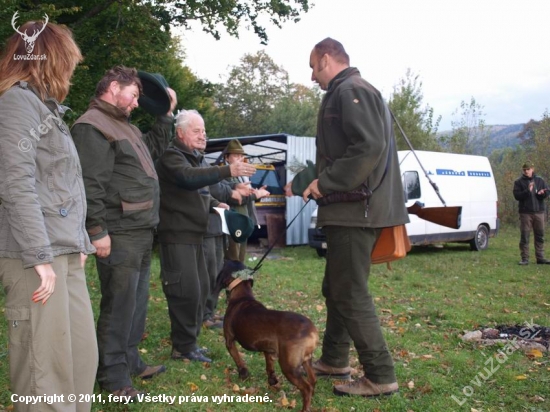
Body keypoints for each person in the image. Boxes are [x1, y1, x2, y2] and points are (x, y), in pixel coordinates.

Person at [291, 38, 409, 398]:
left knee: (350, 292)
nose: (311, 76)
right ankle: (335, 359)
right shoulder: (348, 90)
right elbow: (351, 151)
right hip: (352, 208)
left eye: (313, 66)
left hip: (356, 210)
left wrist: (324, 183)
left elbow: (367, 147)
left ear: (327, 59)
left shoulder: (351, 90)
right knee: (337, 288)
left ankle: (380, 374)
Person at [0, 20, 98, 411]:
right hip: (33, 258)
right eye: (66, 61)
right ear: (47, 59)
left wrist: (80, 242)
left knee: (78, 364)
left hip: (63, 253)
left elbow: (60, 183)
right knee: (45, 379)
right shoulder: (15, 102)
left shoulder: (44, 108)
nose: (70, 72)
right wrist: (39, 256)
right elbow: (14, 183)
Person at [71, 66, 177, 398]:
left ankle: (130, 359)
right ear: (114, 87)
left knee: (136, 302)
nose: (135, 104)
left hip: (141, 229)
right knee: (119, 306)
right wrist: (96, 229)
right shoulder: (93, 126)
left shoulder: (123, 126)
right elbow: (89, 184)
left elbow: (152, 151)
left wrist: (166, 116)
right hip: (119, 232)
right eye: (133, 96)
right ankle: (114, 378)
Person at [156, 110, 256, 362]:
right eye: (197, 131)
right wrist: (227, 171)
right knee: (185, 291)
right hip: (178, 236)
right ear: (180, 133)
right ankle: (182, 347)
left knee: (200, 290)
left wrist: (235, 189)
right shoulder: (172, 157)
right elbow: (189, 179)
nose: (203, 136)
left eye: (204, 131)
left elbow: (213, 186)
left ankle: (189, 344)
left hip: (198, 235)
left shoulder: (197, 159)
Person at [223, 140, 270, 263]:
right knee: (233, 260)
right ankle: (231, 282)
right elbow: (236, 197)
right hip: (232, 222)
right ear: (227, 158)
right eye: (235, 155)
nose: (239, 159)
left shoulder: (242, 176)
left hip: (243, 220)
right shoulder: (225, 174)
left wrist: (258, 194)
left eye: (241, 156)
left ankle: (240, 281)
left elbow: (247, 196)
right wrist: (257, 194)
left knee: (241, 260)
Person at [513, 162, 550, 265]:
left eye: (528, 169)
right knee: (525, 236)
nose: (526, 171)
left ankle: (540, 258)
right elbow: (517, 196)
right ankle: (525, 258)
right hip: (525, 213)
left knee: (540, 235)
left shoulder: (540, 180)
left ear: (532, 169)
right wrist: (527, 191)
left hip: (539, 212)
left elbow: (547, 191)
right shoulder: (518, 182)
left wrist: (543, 193)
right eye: (524, 169)